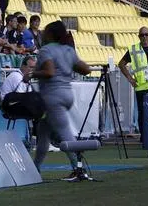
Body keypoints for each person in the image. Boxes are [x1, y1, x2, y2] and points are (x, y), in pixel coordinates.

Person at [33, 20, 94, 181]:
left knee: (65, 134)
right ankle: (35, 168)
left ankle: (78, 169)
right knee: (43, 132)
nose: (43, 34)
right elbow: (86, 69)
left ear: (51, 34)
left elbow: (49, 71)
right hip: (67, 94)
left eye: (45, 31)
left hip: (53, 96)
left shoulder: (46, 50)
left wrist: (32, 74)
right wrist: (68, 66)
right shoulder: (68, 50)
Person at [118, 27, 148, 145]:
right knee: (142, 113)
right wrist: (130, 78)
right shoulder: (133, 49)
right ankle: (144, 137)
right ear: (138, 36)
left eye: (146, 34)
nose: (144, 37)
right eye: (142, 35)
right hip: (141, 86)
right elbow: (121, 64)